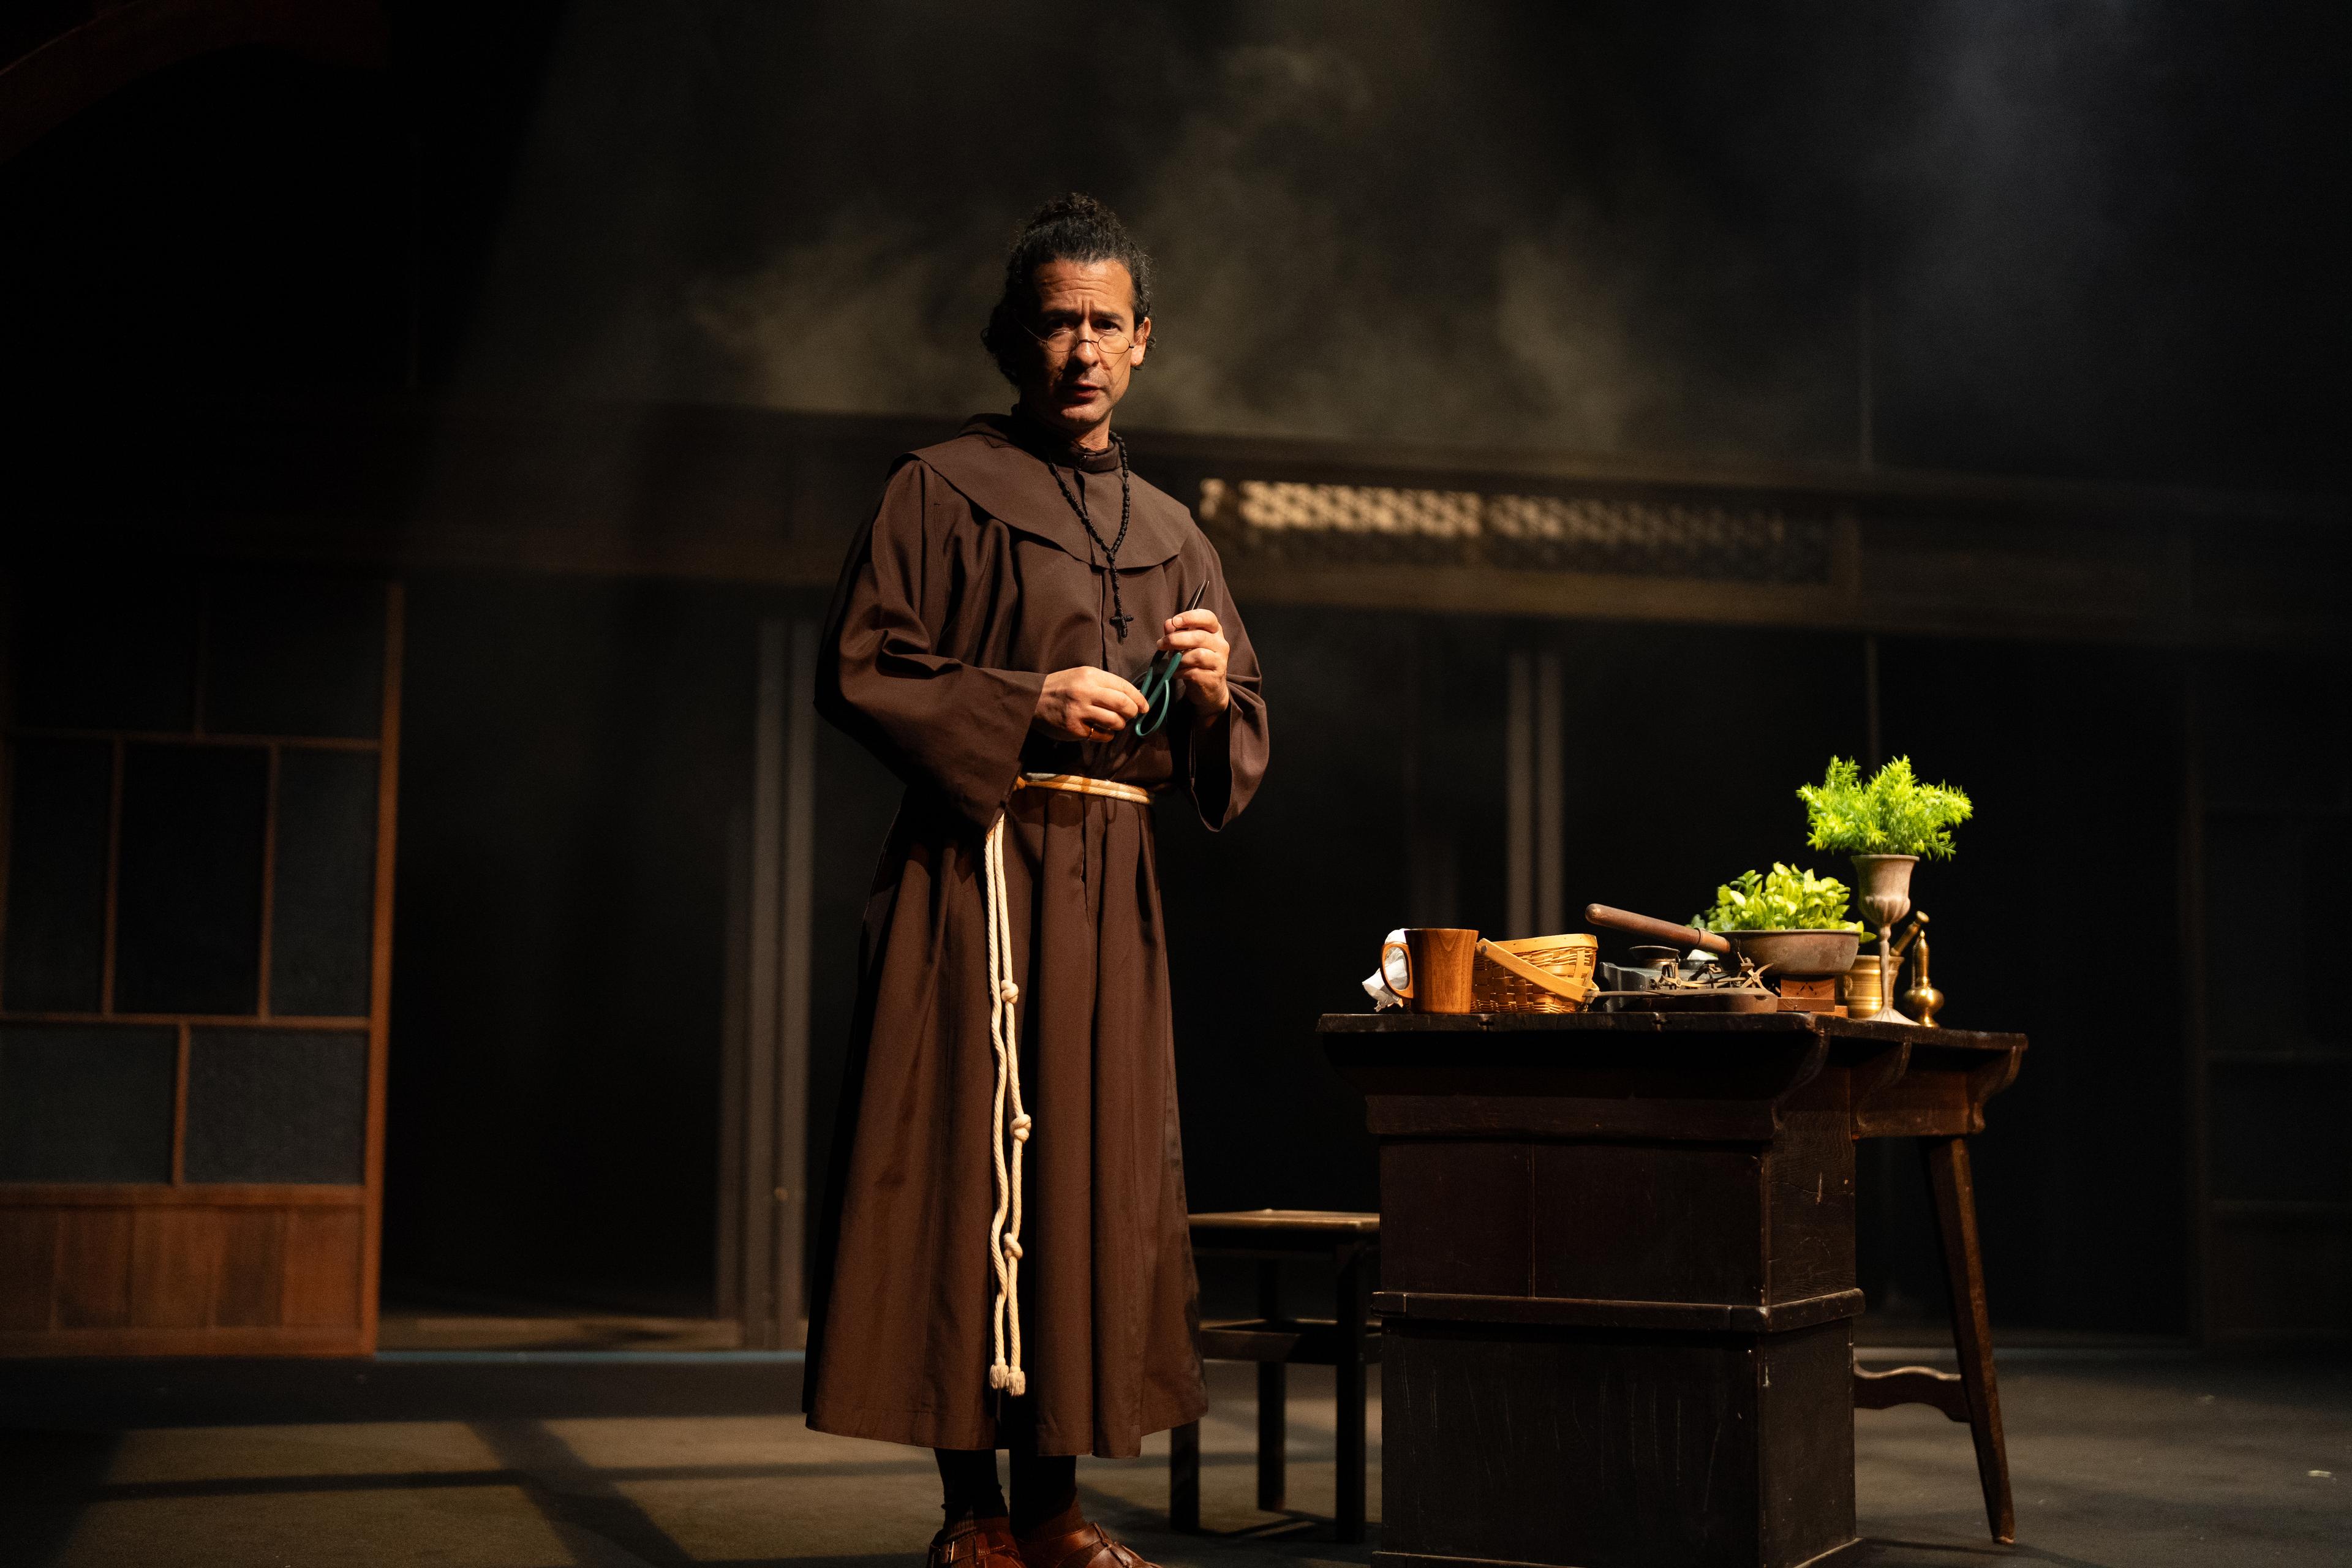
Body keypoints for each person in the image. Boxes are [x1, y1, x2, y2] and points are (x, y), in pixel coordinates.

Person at [804, 194, 1270, 1568]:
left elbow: (1236, 744)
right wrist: (1024, 701)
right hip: (976, 872)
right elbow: (862, 665)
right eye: (1058, 322)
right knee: (968, 1160)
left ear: (1144, 342)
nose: (1082, 349)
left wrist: (1211, 694)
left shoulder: (1179, 532)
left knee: (1083, 1177)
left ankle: (1056, 1505)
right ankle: (974, 1507)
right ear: (1016, 336)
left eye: (1106, 324)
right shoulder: (940, 487)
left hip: (1108, 890)